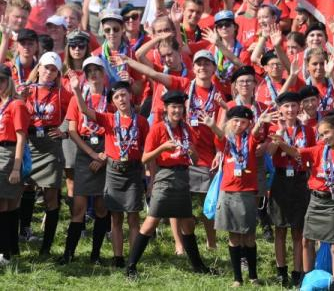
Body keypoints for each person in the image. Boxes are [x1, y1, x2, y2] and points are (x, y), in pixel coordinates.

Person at [273, 114, 334, 291]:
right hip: (315, 200)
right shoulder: (319, 150)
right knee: (306, 240)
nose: (324, 137)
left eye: (327, 132)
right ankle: (307, 277)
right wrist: (281, 142)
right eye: (321, 134)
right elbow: (296, 152)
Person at [125, 90, 213, 278]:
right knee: (151, 221)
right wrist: (163, 147)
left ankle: (198, 265)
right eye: (174, 107)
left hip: (183, 177)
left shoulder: (187, 129)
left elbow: (196, 159)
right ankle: (130, 266)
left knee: (188, 223)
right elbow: (145, 157)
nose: (177, 110)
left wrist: (192, 152)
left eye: (180, 107)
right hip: (164, 177)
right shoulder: (157, 129)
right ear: (166, 108)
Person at [68, 78, 149, 268]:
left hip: (133, 171)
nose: (121, 99)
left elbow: (148, 151)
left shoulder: (143, 122)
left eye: (124, 95)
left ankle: (132, 259)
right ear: (113, 101)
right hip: (113, 171)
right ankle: (118, 257)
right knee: (116, 217)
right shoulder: (109, 118)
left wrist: (149, 178)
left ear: (130, 96)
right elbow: (85, 111)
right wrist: (77, 91)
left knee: (133, 217)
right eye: (117, 96)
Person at [200, 104, 263, 287]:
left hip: (246, 194)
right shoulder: (226, 140)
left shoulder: (250, 139)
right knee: (233, 237)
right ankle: (237, 278)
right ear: (229, 122)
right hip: (227, 192)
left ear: (248, 124)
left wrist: (259, 123)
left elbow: (257, 133)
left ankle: (253, 275)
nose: (238, 125)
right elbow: (219, 136)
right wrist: (212, 125)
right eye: (235, 121)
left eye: (243, 122)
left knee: (249, 236)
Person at [57, 56, 111, 265]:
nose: (93, 74)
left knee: (101, 208)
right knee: (78, 207)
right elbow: (71, 130)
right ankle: (68, 254)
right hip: (85, 151)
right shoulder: (77, 98)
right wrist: (91, 154)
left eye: (97, 70)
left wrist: (104, 156)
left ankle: (95, 255)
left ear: (103, 73)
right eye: (89, 71)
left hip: (106, 150)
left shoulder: (112, 97)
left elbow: (117, 131)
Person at [266, 91, 316, 287]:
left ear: (299, 108)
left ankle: (297, 271)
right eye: (286, 106)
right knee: (279, 229)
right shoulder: (274, 129)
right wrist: (277, 137)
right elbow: (269, 153)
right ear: (280, 109)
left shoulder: (308, 131)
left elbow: (309, 157)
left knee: (298, 230)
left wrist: (287, 147)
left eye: (294, 106)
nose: (290, 110)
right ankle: (281, 271)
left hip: (299, 181)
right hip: (280, 179)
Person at [24, 51, 71, 256]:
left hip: (51, 144)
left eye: (54, 70)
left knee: (50, 192)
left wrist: (66, 131)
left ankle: (46, 246)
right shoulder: (26, 90)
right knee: (24, 188)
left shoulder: (61, 93)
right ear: (39, 69)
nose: (49, 72)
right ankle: (23, 232)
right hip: (29, 142)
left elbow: (75, 113)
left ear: (58, 73)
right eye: (46, 68)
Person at [0, 64, 30, 263]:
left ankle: (4, 251)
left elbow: (21, 138)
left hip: (9, 154)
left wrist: (17, 168)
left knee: (3, 204)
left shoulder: (16, 105)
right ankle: (11, 249)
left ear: (9, 81)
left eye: (1, 80)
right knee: (8, 206)